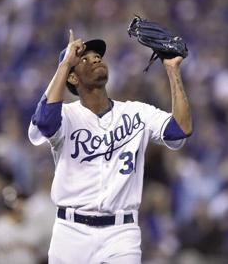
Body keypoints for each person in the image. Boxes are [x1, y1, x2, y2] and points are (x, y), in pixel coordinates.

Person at [28, 29, 192, 264]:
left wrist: (172, 70)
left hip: (121, 233)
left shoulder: (136, 112)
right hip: (70, 233)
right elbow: (44, 123)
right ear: (73, 78)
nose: (96, 58)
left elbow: (180, 129)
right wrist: (64, 65)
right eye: (84, 58)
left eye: (98, 56)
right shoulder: (65, 116)